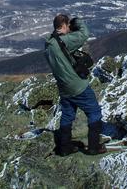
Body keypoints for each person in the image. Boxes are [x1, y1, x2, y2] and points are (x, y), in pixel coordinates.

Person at [45, 13, 106, 156]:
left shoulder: (48, 45)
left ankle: (64, 148)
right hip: (78, 86)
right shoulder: (64, 42)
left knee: (67, 115)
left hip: (64, 88)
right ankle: (94, 146)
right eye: (68, 26)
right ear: (64, 26)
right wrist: (77, 21)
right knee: (94, 112)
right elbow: (85, 33)